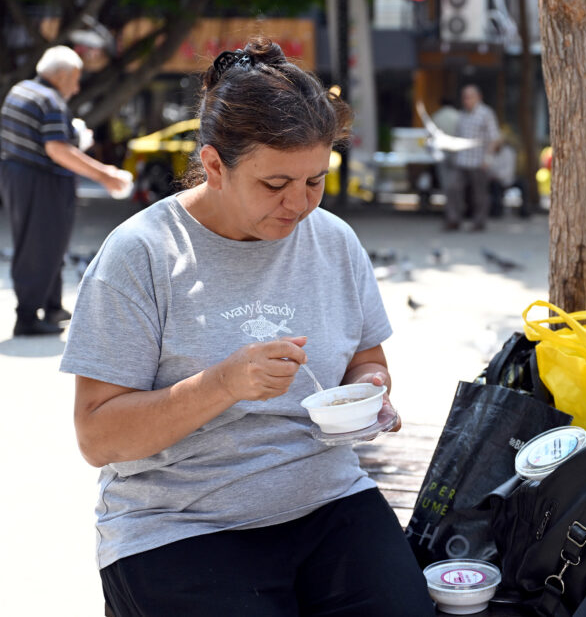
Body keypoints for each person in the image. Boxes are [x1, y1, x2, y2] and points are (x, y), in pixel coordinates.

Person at [59, 38, 435, 617]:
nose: (300, 205)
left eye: (315, 180)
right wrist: (223, 384)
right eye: (275, 184)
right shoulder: (142, 254)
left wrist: (371, 392)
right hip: (178, 524)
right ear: (213, 164)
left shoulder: (333, 240)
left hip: (328, 499)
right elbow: (97, 436)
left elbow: (367, 357)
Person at [0, 45, 130, 336]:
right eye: (76, 77)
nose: (77, 85)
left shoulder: (21, 90)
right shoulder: (50, 101)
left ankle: (51, 304)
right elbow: (57, 149)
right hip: (40, 179)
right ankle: (28, 317)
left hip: (17, 175)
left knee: (47, 243)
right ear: (61, 74)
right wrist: (105, 175)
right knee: (41, 245)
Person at [446, 84, 500, 231]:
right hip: (462, 160)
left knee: (479, 195)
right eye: (464, 97)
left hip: (479, 161)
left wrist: (488, 158)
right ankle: (454, 219)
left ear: (478, 97)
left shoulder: (486, 113)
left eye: (470, 97)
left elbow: (494, 138)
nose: (466, 100)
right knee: (453, 188)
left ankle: (479, 222)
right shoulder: (462, 115)